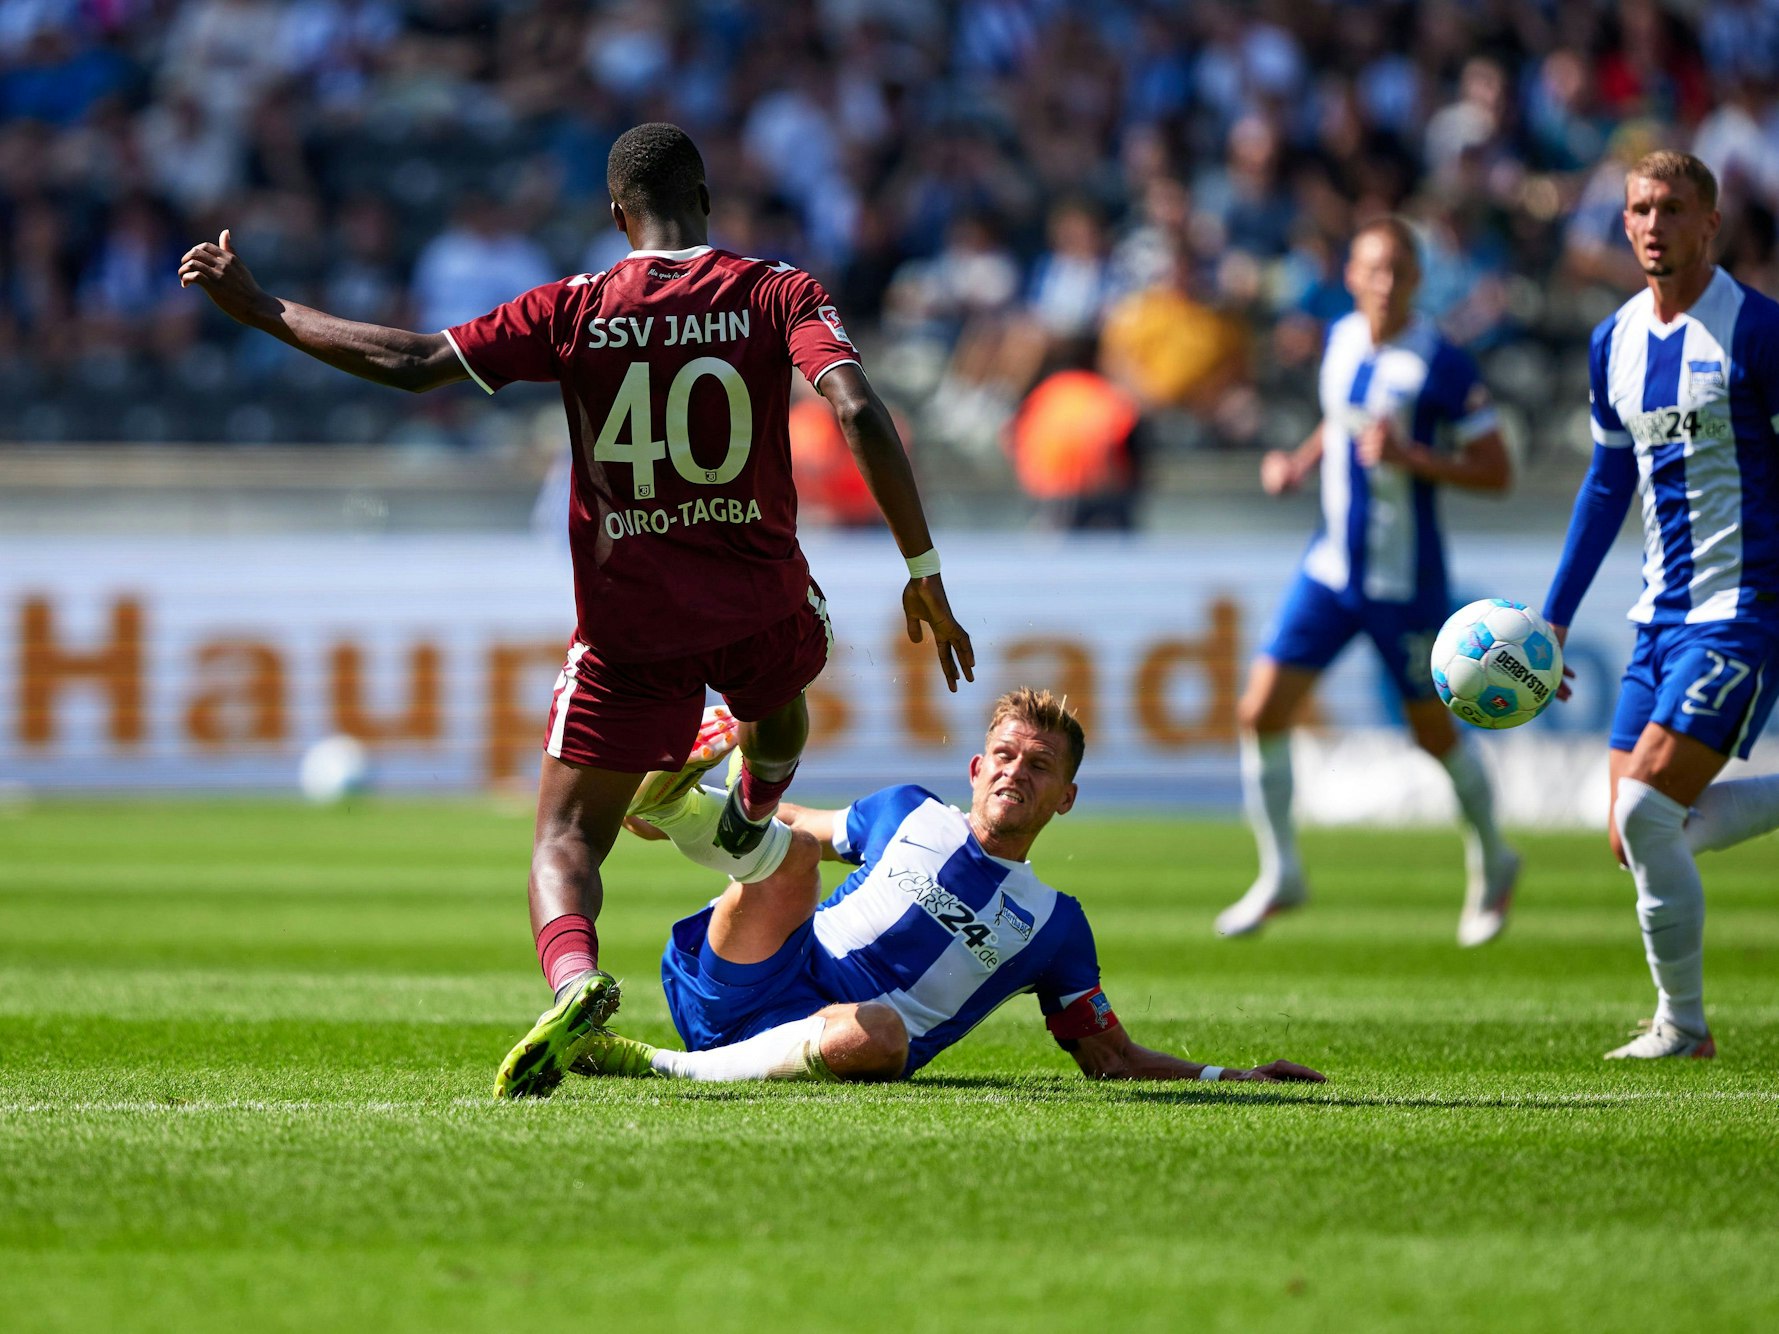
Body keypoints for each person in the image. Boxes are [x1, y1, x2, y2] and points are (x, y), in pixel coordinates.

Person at [177, 122, 975, 1098]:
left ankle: (577, 978)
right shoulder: (778, 289)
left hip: (629, 619)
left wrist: (261, 309)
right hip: (757, 593)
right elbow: (855, 407)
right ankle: (753, 809)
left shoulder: (576, 307)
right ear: (709, 201)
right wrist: (921, 563)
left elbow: (418, 361)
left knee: (564, 837)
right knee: (787, 680)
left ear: (615, 215)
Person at [561, 690, 1326, 1088]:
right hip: (752, 974)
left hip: (839, 1036)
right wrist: (685, 822)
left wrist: (1236, 1076)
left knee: (882, 1034)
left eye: (1038, 767)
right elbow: (791, 822)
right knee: (791, 852)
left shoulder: (1056, 927)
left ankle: (650, 1063)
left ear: (1065, 798)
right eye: (1002, 755)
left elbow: (1111, 1058)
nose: (1013, 774)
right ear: (974, 767)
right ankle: (669, 802)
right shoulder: (907, 811)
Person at [1217, 218, 1519, 946]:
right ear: (1350, 275)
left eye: (1398, 271)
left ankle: (1494, 856)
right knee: (1260, 710)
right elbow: (1341, 423)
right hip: (1328, 571)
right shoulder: (1341, 336)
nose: (1384, 284)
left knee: (1433, 734)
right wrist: (1297, 461)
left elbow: (1497, 470)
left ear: (1416, 280)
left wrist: (1415, 458)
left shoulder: (1441, 363)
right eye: (1371, 269)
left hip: (1402, 580)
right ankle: (1282, 871)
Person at [1543, 151, 1779, 1061]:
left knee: (1646, 811)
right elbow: (1606, 486)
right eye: (1639, 209)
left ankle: (1681, 1026)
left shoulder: (1757, 333)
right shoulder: (1613, 341)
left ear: (1709, 224)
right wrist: (1554, 619)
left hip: (1741, 610)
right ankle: (1680, 1023)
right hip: (1655, 619)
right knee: (1630, 834)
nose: (1650, 224)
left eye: (1671, 209)